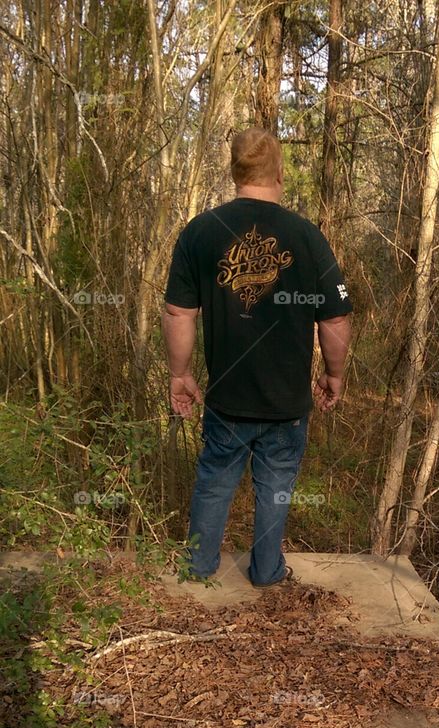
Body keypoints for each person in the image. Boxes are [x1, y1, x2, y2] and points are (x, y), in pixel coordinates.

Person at [162, 127, 352, 586]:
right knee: (276, 488)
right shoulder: (307, 236)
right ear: (280, 173)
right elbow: (335, 320)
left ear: (234, 171)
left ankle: (198, 567)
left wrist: (180, 374)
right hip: (287, 404)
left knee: (215, 481)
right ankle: (267, 572)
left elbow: (178, 310)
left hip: (228, 397)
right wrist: (335, 374)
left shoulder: (201, 232)